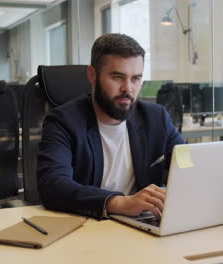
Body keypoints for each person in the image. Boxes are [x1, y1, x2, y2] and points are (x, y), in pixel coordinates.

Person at [37, 33, 184, 220]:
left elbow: (188, 165)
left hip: (143, 225)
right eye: (117, 77)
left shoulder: (156, 118)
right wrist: (119, 203)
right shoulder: (63, 121)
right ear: (92, 75)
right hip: (89, 228)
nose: (128, 88)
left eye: (136, 78)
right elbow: (53, 185)